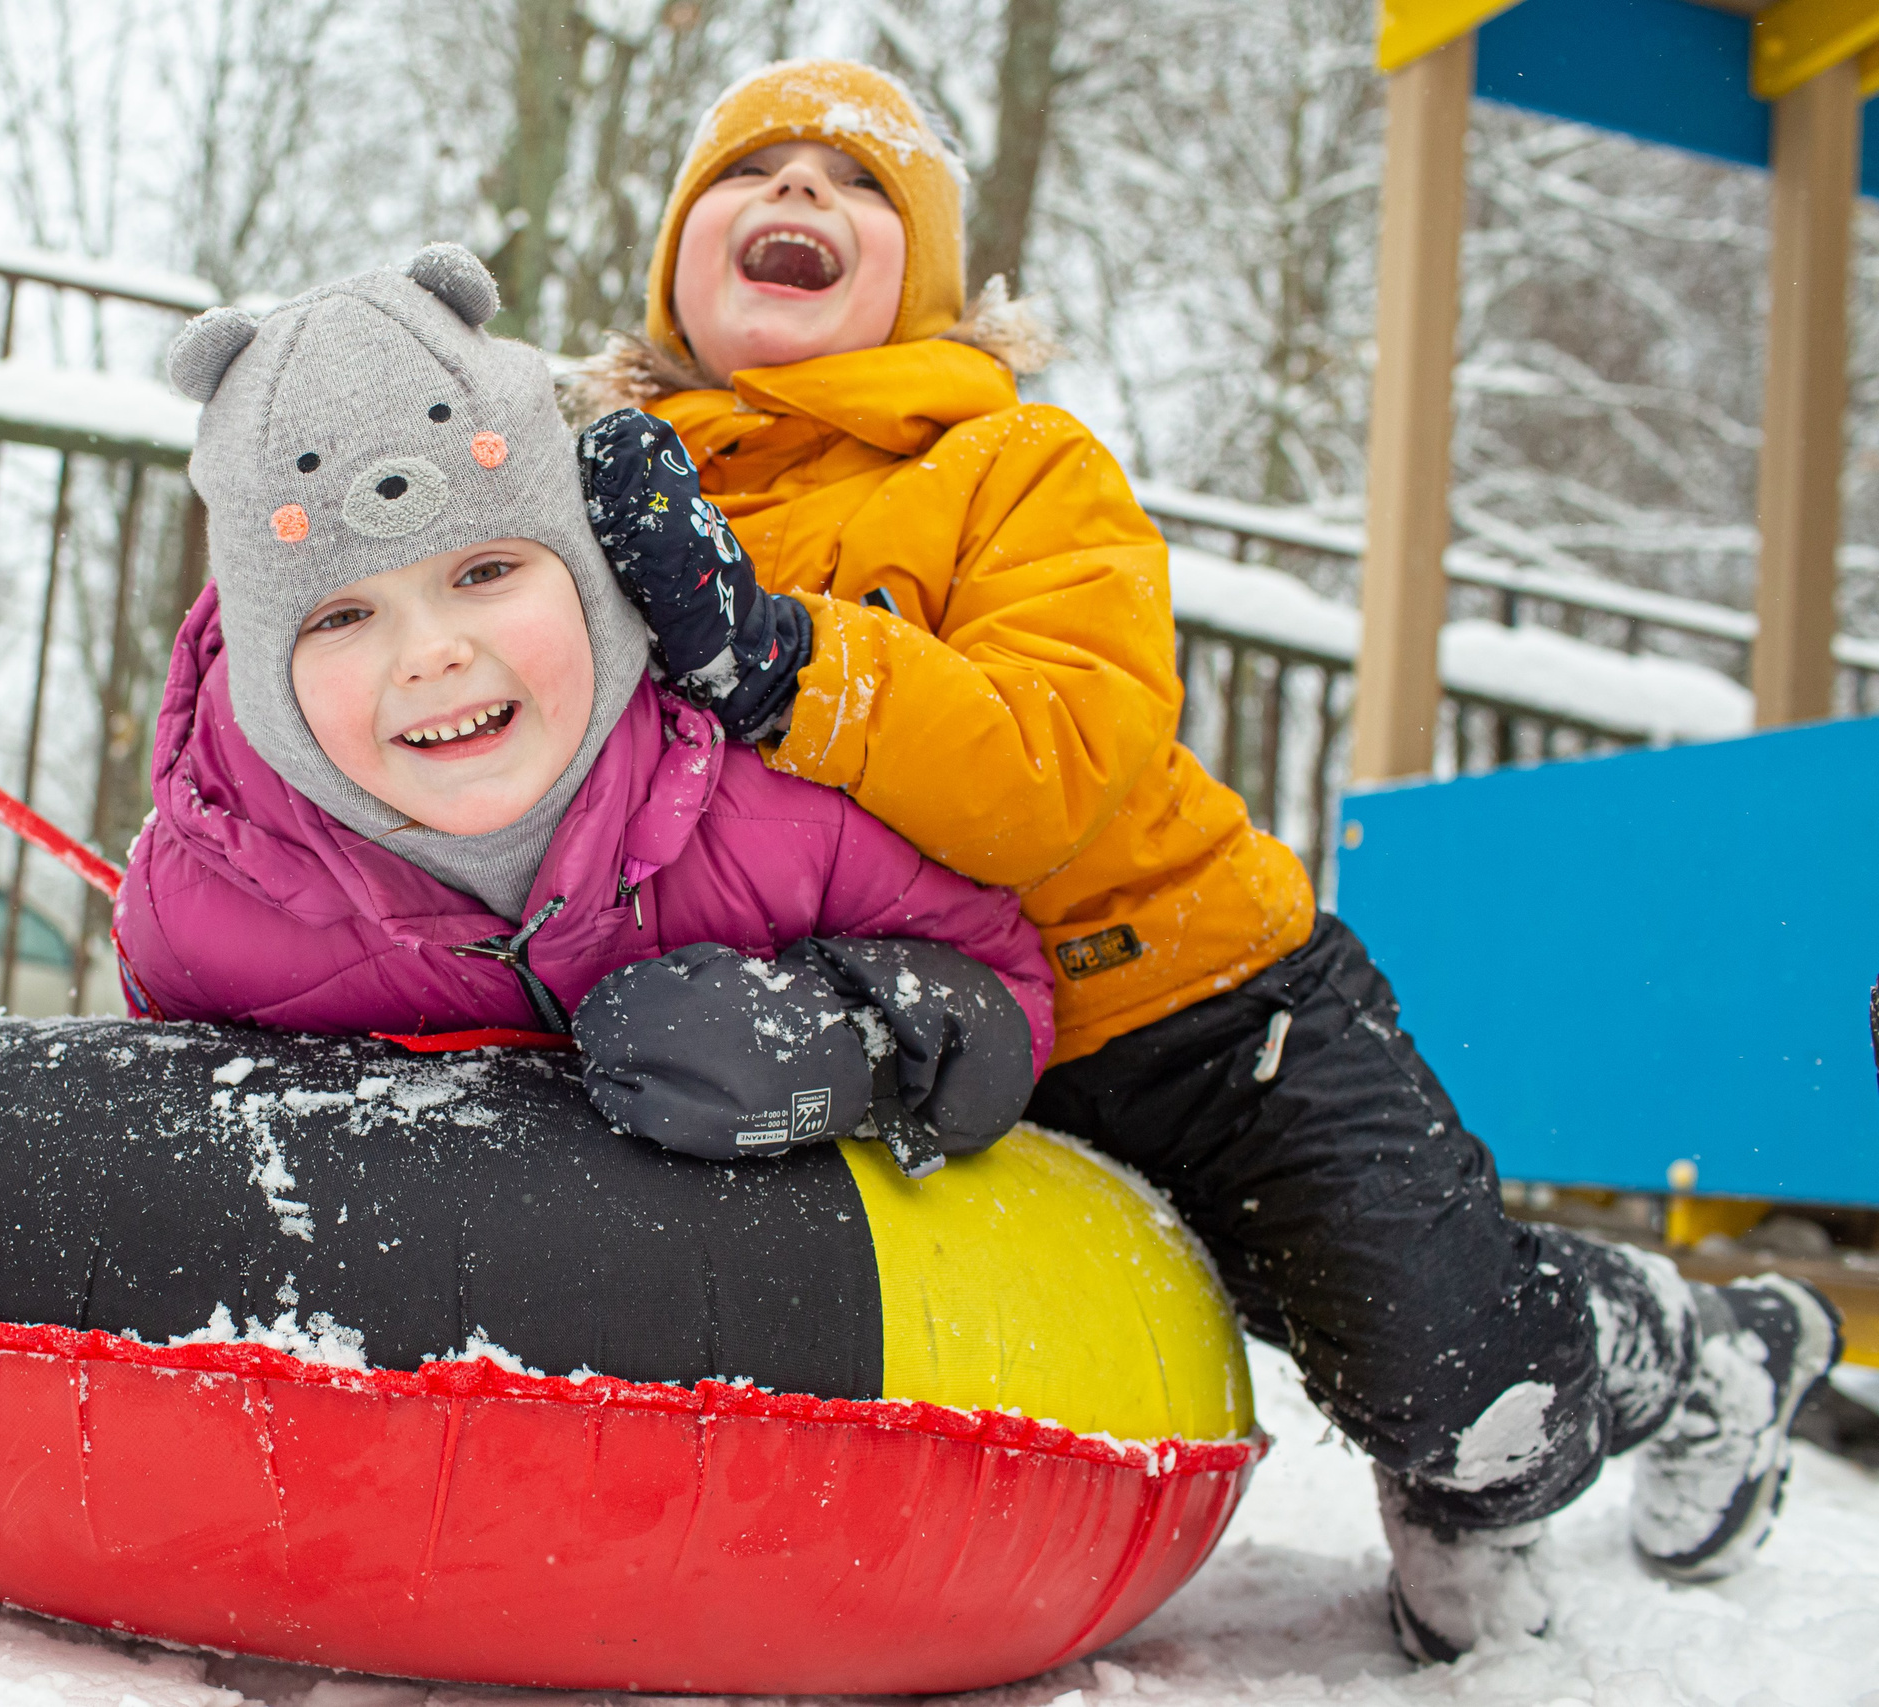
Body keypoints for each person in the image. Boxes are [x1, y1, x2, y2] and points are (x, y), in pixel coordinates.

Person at [568, 57, 1840, 1659]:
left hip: (1216, 1014)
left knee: (1465, 1408)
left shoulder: (1011, 467)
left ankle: (1704, 1345)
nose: (799, 195)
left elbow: (1060, 763)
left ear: (929, 285)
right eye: (749, 174)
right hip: (935, 1052)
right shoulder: (608, 498)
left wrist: (778, 657)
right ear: (679, 255)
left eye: (863, 182)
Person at [112, 245, 1052, 1174]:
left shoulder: (783, 813)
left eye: (485, 572)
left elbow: (1008, 991)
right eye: (343, 615)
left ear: (593, 580)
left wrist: (848, 1047)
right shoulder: (198, 909)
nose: (431, 651)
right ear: (266, 682)